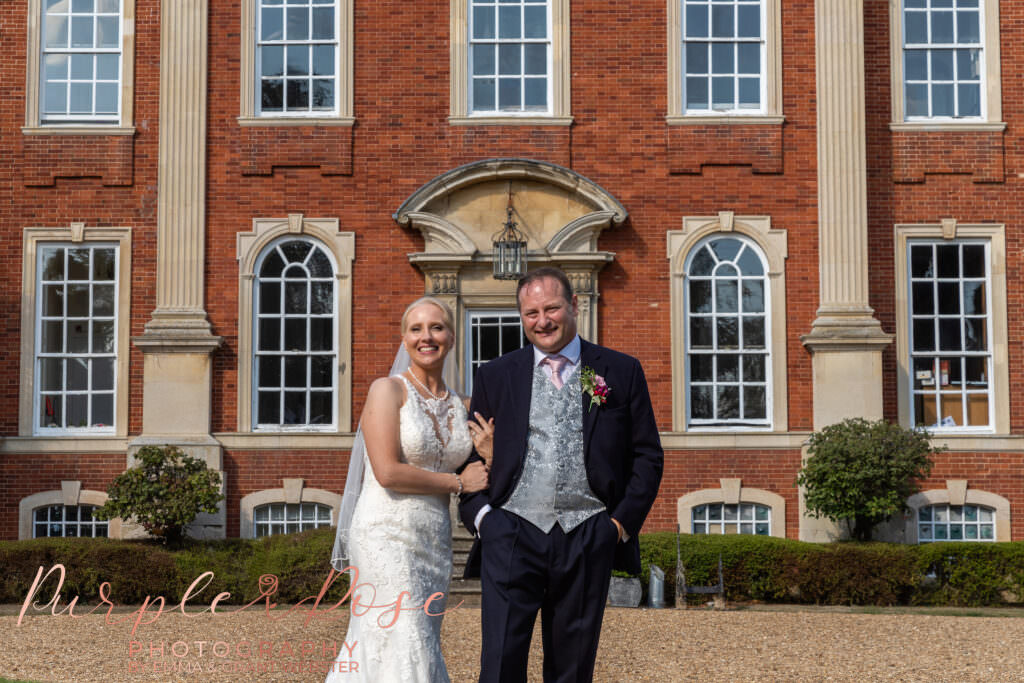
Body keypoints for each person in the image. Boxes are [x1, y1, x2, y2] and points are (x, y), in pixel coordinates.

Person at [460, 267, 664, 683]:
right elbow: (466, 456)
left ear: (573, 306)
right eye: (531, 312)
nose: (542, 320)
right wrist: (485, 520)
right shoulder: (497, 375)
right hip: (511, 533)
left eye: (551, 308)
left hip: (587, 534)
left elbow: (646, 456)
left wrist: (618, 527)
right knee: (499, 666)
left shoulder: (614, 372)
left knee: (571, 671)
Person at [327, 296, 491, 683]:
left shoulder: (462, 406)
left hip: (433, 540)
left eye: (436, 327)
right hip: (384, 533)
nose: (426, 336)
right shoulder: (388, 391)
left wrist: (490, 453)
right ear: (404, 339)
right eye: (416, 329)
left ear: (451, 337)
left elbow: (483, 472)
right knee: (406, 635)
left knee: (418, 637)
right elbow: (386, 471)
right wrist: (456, 482)